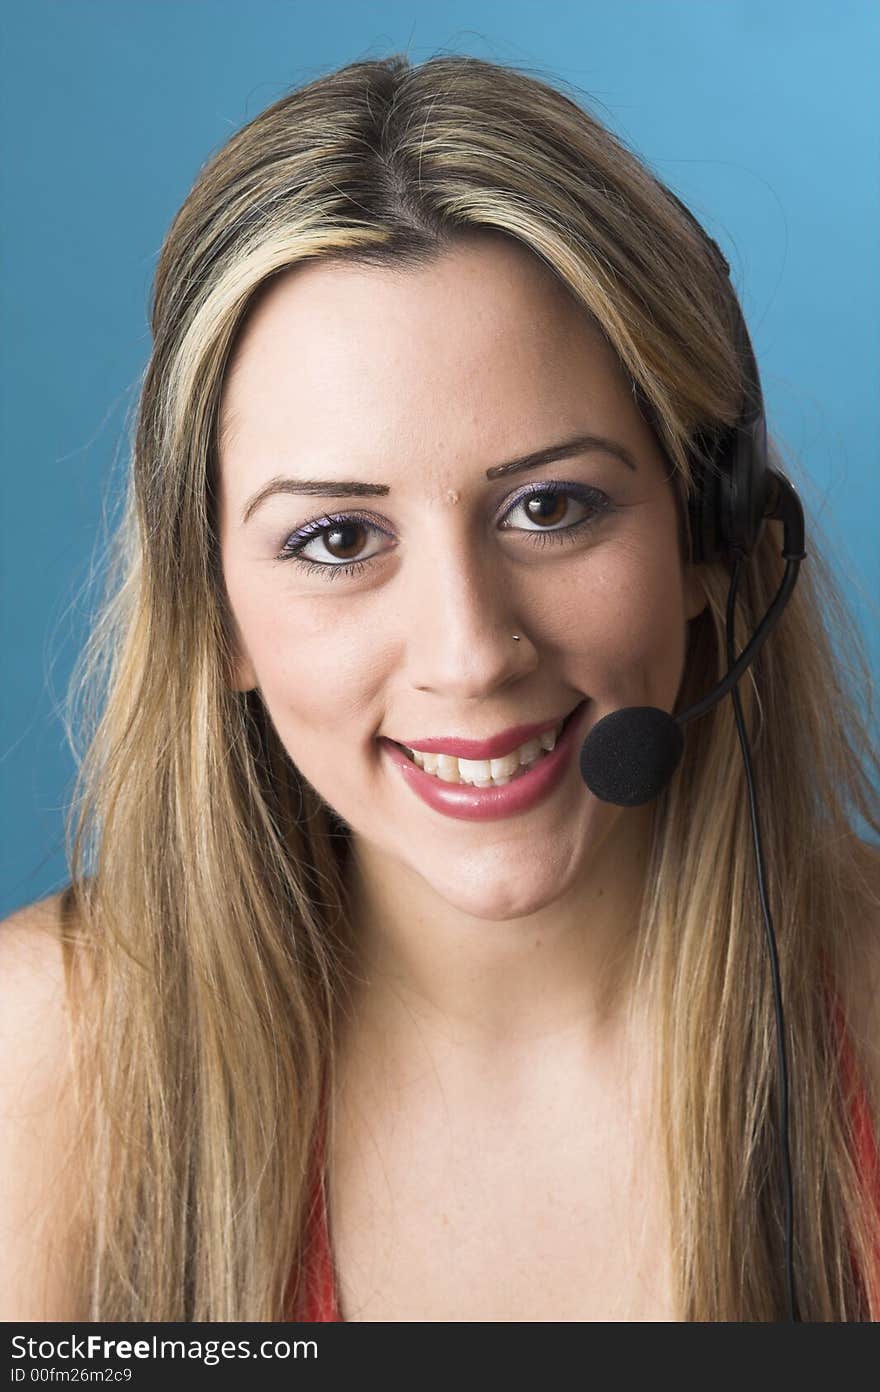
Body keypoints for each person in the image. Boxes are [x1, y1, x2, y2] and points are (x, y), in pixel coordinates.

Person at [2, 52, 879, 1324]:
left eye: (549, 507)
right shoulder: (45, 1065)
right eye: (338, 540)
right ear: (221, 616)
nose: (469, 654)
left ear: (710, 533)